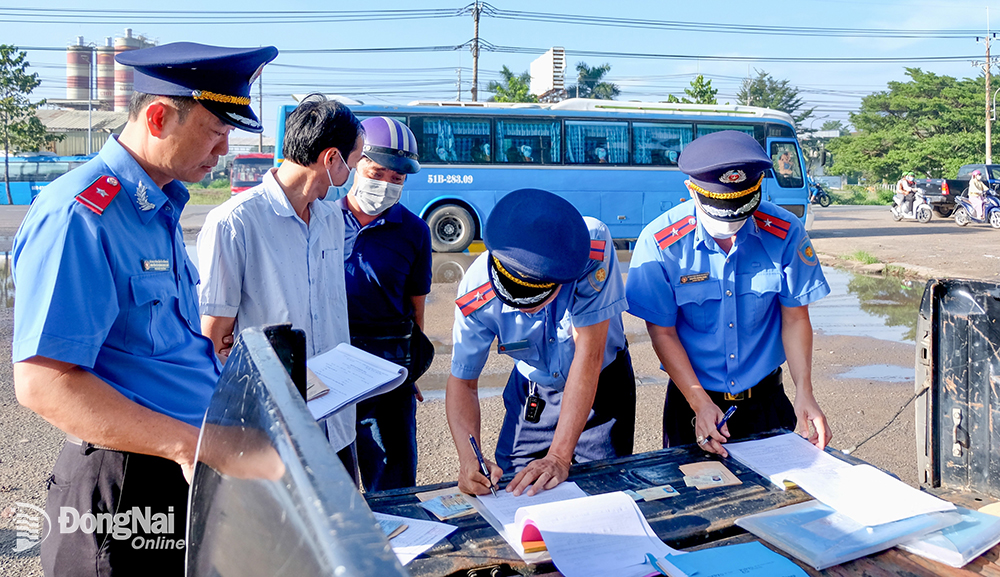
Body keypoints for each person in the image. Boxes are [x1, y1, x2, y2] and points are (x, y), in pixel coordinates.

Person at [12, 42, 277, 576]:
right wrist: (193, 443)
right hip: (124, 488)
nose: (223, 150)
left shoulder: (158, 207)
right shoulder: (82, 214)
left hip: (177, 470)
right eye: (215, 132)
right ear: (158, 116)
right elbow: (44, 384)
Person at [625, 130, 832, 459]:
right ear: (692, 191)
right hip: (692, 403)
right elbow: (662, 333)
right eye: (719, 210)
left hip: (766, 402)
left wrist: (804, 392)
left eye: (741, 209)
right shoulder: (661, 243)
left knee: (778, 502)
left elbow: (795, 317)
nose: (731, 222)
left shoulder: (785, 232)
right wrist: (699, 403)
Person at [197, 94, 364, 475]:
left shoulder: (330, 220)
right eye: (353, 164)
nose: (350, 176)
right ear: (332, 159)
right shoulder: (234, 222)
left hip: (335, 423)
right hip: (273, 431)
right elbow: (214, 338)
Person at [447, 189, 635, 497]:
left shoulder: (591, 249)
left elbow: (588, 355)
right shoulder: (475, 293)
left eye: (535, 301)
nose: (524, 310)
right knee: (511, 489)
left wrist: (559, 457)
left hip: (600, 384)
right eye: (514, 303)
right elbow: (463, 382)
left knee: (601, 490)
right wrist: (470, 458)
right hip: (534, 392)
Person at [338, 116, 434, 492]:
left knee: (392, 475)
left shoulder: (414, 231)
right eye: (377, 173)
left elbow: (417, 306)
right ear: (354, 163)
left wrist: (413, 368)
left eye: (397, 179)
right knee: (331, 474)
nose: (386, 185)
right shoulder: (322, 217)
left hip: (388, 364)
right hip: (331, 359)